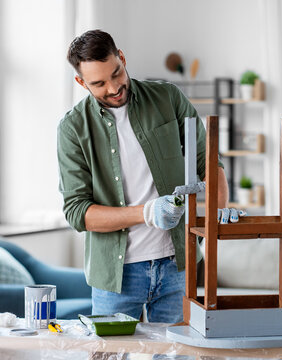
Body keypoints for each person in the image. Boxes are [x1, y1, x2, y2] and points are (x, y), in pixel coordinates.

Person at [57, 29, 234, 323]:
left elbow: (208, 160)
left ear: (122, 58)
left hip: (177, 265)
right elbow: (77, 212)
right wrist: (147, 212)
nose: (113, 88)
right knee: (111, 357)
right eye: (99, 83)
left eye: (117, 74)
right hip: (116, 276)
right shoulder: (73, 128)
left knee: (178, 356)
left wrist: (220, 209)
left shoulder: (167, 98)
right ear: (81, 82)